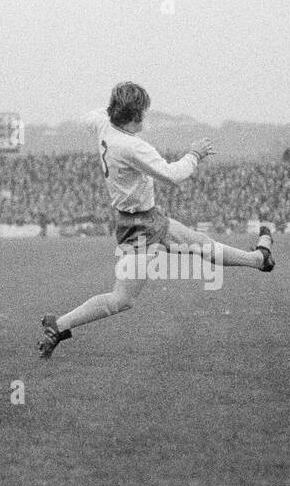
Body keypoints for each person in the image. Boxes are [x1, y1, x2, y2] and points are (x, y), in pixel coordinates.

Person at [37, 81, 274, 359]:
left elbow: (87, 117)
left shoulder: (104, 123)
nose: (145, 118)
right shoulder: (131, 146)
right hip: (139, 226)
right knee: (121, 299)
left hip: (146, 218)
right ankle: (60, 325)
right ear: (136, 116)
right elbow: (173, 175)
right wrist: (194, 154)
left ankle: (260, 259)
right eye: (143, 113)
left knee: (202, 245)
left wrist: (114, 106)